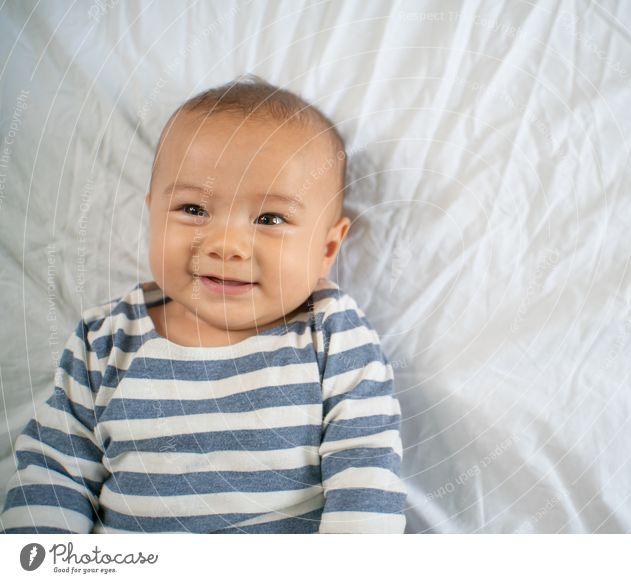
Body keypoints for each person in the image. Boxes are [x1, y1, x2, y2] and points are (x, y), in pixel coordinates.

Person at [0, 75, 406, 533]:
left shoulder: (333, 338)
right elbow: (52, 475)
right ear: (152, 212)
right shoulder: (105, 343)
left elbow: (366, 474)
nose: (226, 245)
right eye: (193, 210)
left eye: (270, 218)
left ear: (328, 249)